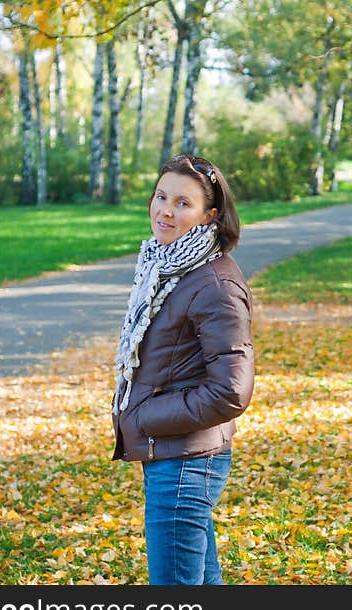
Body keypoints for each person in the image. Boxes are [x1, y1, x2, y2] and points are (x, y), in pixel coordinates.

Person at [110, 154, 254, 585]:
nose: (165, 211)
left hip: (185, 462)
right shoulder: (166, 268)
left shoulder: (214, 285)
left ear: (210, 214)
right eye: (160, 197)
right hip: (174, 456)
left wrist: (143, 417)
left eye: (182, 203)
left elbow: (231, 390)